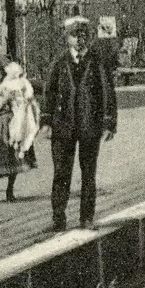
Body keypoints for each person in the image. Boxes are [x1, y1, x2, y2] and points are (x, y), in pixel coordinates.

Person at [42, 16, 117, 232]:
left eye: (84, 36)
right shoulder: (59, 62)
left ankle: (87, 218)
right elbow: (48, 93)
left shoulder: (97, 62)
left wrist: (109, 123)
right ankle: (58, 218)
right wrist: (46, 122)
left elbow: (108, 93)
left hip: (89, 127)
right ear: (68, 38)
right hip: (62, 127)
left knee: (88, 174)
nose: (80, 40)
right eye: (75, 36)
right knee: (61, 173)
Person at [0, 55, 34, 204]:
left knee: (13, 157)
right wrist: (3, 100)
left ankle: (10, 190)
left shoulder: (9, 86)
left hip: (14, 124)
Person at [2, 61, 41, 163]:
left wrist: (26, 98)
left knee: (27, 124)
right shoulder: (7, 83)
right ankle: (15, 143)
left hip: (24, 106)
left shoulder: (23, 82)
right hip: (14, 106)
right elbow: (4, 95)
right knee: (15, 123)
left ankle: (23, 147)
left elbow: (29, 94)